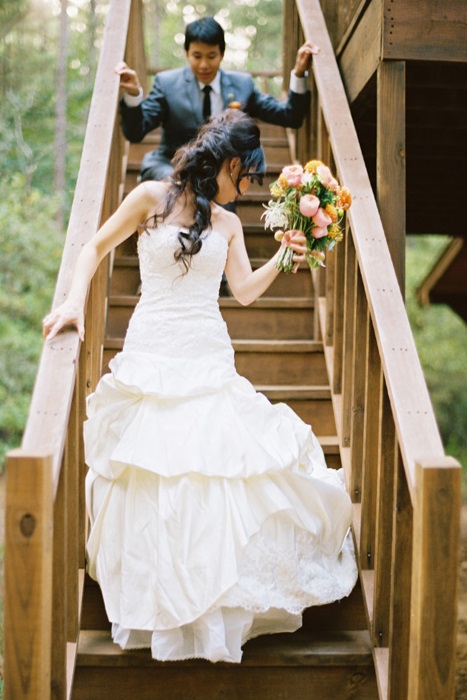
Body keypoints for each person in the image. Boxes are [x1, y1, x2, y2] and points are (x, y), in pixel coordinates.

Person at [43, 110, 357, 663]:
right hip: (153, 349)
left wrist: (288, 255)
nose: (250, 188)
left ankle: (213, 596)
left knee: (214, 469)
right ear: (229, 162)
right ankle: (161, 595)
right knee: (157, 472)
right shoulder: (149, 197)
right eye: (248, 175)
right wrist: (71, 303)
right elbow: (92, 248)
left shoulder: (229, 224)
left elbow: (242, 293)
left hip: (207, 352)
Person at [115, 16, 319, 181]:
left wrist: (299, 75)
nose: (204, 65)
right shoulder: (166, 84)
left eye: (211, 56)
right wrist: (133, 94)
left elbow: (289, 117)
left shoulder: (243, 85)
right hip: (170, 169)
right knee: (179, 186)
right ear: (186, 53)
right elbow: (135, 132)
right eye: (197, 56)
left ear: (222, 54)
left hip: (216, 180)